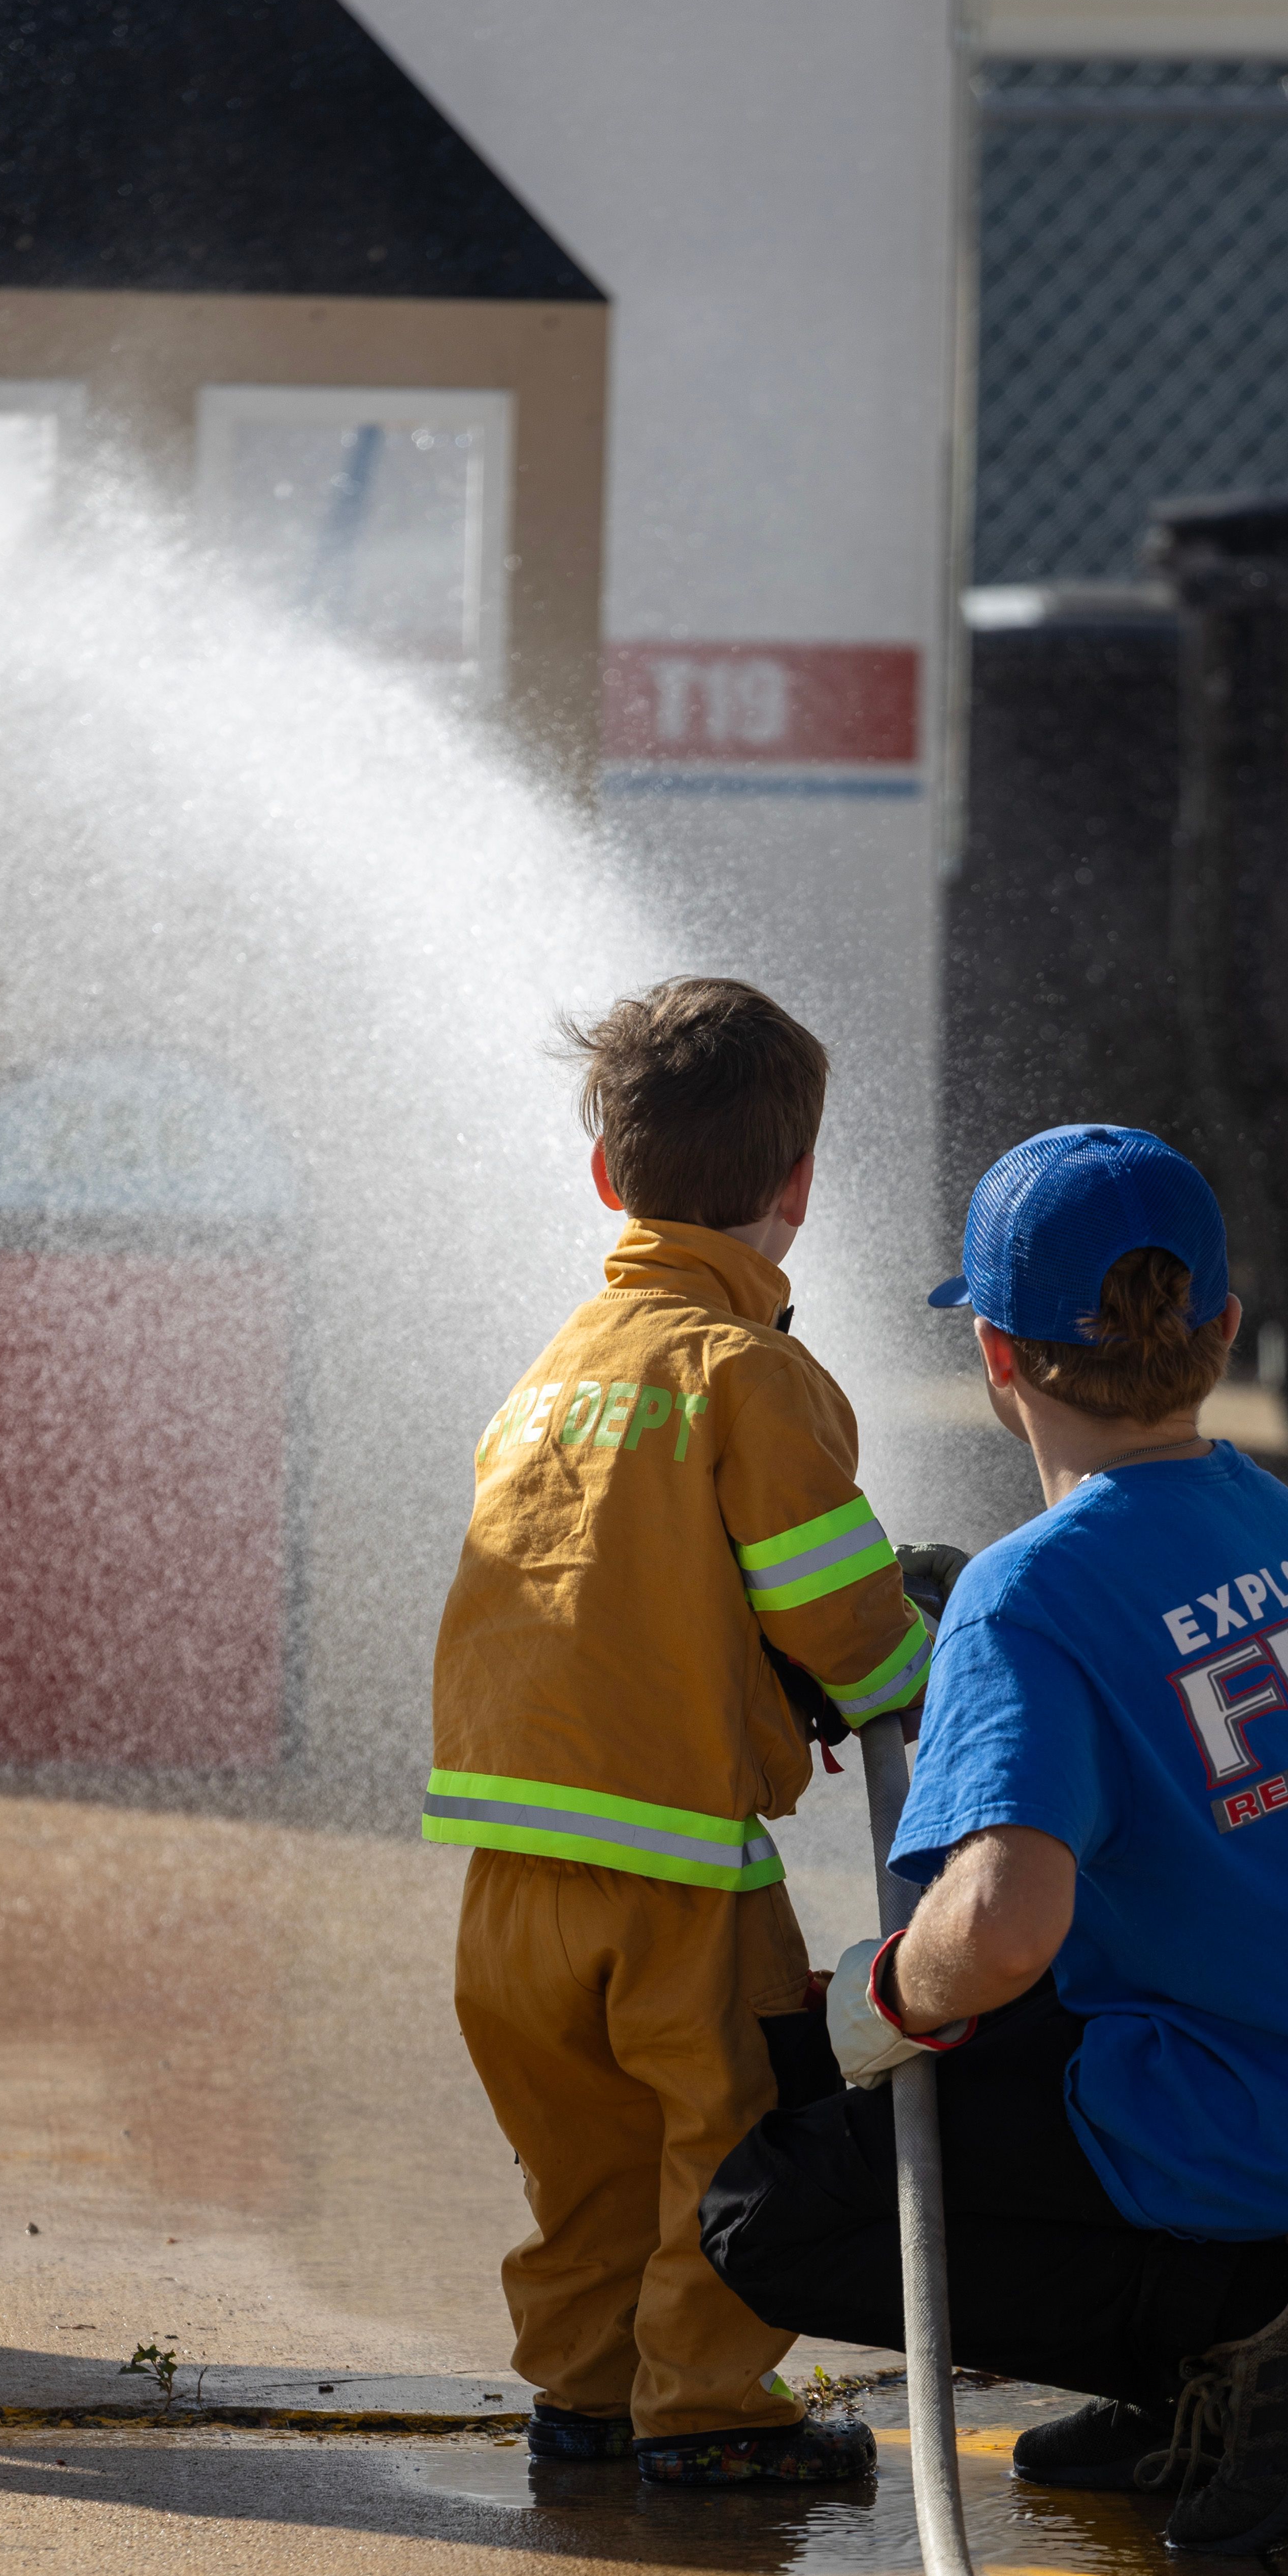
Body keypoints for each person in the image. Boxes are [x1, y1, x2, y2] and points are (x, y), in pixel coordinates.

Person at [702, 1123, 1288, 2557]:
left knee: (772, 2211)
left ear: (997, 1358)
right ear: (1220, 1325)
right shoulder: (1270, 1514)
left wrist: (880, 2001)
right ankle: (1202, 2370)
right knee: (1020, 2046)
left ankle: (1246, 2327)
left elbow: (1009, 1928)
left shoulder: (1031, 1596)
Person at [423, 977, 933, 2486]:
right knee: (728, 2136)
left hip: (507, 1879)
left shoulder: (549, 1379)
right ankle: (705, 2415)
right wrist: (924, 1660)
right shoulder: (749, 1376)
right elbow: (838, 1619)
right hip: (679, 1875)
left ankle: (584, 2399)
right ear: (799, 1189)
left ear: (605, 1180)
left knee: (578, 2158)